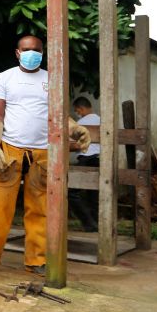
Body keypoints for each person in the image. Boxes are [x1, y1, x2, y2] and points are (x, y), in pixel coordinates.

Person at [0, 36, 90, 277]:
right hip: (10, 149)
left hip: (44, 152)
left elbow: (59, 114)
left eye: (36, 50)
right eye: (26, 50)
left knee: (41, 207)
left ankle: (38, 260)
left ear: (43, 53)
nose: (31, 53)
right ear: (17, 52)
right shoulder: (5, 78)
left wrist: (75, 128)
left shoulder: (52, 79)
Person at [69, 96, 100, 232]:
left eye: (77, 110)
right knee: (93, 193)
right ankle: (95, 223)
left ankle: (88, 222)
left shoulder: (79, 124)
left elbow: (74, 145)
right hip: (99, 159)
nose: (77, 113)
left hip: (86, 159)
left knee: (71, 193)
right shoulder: (101, 121)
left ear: (81, 109)